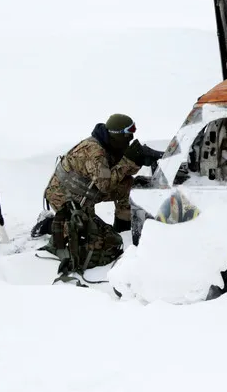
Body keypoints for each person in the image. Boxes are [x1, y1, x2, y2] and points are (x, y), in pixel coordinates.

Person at [41, 113, 162, 278]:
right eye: (128, 136)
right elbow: (105, 184)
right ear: (117, 135)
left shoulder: (108, 145)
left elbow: (117, 174)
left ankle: (123, 227)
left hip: (86, 192)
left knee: (128, 186)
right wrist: (129, 161)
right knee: (105, 242)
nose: (130, 139)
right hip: (66, 198)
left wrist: (138, 159)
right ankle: (53, 225)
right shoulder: (95, 152)